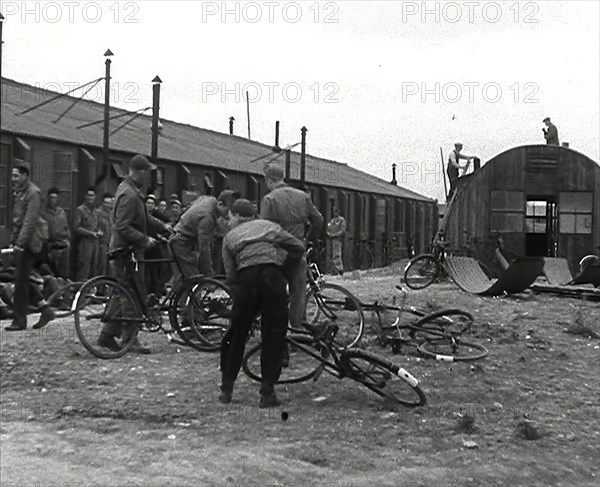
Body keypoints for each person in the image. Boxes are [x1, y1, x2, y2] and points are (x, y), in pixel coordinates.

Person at [219, 199, 305, 408]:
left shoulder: (229, 237)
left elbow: (230, 275)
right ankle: (267, 392)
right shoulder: (270, 227)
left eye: (230, 216)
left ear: (237, 217)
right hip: (272, 277)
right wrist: (284, 269)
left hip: (246, 279)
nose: (228, 221)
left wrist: (239, 296)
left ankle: (226, 389)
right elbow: (298, 247)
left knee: (236, 334)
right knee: (273, 335)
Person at [97, 155, 169, 354]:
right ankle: (130, 339)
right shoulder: (129, 194)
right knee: (131, 294)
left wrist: (163, 227)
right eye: (147, 172)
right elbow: (121, 226)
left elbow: (143, 217)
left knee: (123, 293)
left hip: (127, 250)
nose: (149, 177)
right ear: (139, 172)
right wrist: (144, 240)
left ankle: (106, 335)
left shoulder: (131, 191)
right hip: (125, 252)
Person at [260, 163, 323, 334]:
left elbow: (264, 228)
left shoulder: (269, 199)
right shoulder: (302, 196)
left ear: (268, 179)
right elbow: (318, 220)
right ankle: (297, 333)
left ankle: (276, 333)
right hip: (298, 250)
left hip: (277, 252)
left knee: (273, 292)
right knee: (298, 292)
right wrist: (307, 241)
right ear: (283, 178)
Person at [5, 160, 56, 331]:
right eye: (12, 176)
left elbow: (30, 220)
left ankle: (19, 321)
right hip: (23, 240)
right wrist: (14, 240)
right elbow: (17, 220)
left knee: (20, 281)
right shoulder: (20, 192)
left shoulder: (33, 193)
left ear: (25, 176)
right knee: (22, 278)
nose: (13, 179)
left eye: (16, 176)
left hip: (31, 242)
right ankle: (45, 309)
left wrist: (20, 242)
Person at [169, 190, 238, 282]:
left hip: (179, 236)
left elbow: (188, 208)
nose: (228, 215)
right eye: (228, 210)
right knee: (193, 279)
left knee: (184, 278)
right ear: (220, 204)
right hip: (182, 243)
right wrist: (208, 273)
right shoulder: (207, 218)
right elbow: (204, 248)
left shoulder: (209, 199)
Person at [42, 187, 71, 279]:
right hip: (50, 246)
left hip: (63, 245)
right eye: (51, 198)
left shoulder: (61, 212)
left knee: (64, 272)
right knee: (52, 271)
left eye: (54, 198)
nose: (52, 200)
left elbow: (66, 227)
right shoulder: (43, 213)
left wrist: (68, 238)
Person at [74, 187, 101, 281]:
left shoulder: (96, 211)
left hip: (95, 243)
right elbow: (76, 228)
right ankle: (81, 290)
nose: (90, 198)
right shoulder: (80, 210)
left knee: (94, 267)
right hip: (85, 243)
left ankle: (91, 291)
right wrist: (90, 233)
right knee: (84, 266)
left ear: (95, 197)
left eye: (92, 195)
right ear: (85, 196)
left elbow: (96, 226)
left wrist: (99, 231)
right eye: (89, 195)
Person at [96, 193, 114, 277]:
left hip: (111, 245)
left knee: (110, 269)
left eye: (109, 203)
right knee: (101, 267)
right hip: (101, 244)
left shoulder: (112, 215)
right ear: (102, 203)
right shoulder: (97, 214)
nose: (108, 205)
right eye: (106, 203)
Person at [326, 207, 347, 275]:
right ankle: (333, 270)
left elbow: (342, 230)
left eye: (336, 211)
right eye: (334, 211)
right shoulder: (332, 220)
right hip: (330, 239)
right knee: (330, 255)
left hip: (337, 239)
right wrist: (328, 233)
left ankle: (339, 269)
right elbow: (328, 228)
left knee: (337, 255)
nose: (334, 213)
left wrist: (335, 234)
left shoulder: (341, 220)